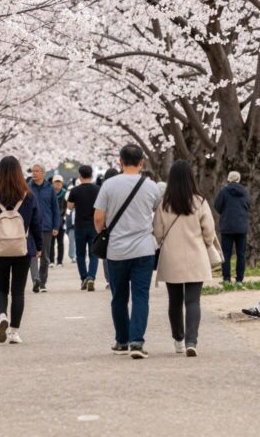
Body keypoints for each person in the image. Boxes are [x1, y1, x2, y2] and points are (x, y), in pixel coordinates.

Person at [94, 145, 161, 359]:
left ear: (120, 162)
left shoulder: (109, 185)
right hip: (143, 249)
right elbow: (158, 214)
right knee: (141, 296)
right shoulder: (151, 186)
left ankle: (122, 341)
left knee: (119, 297)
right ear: (142, 162)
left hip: (116, 250)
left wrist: (104, 232)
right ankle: (137, 342)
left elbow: (98, 218)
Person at [0, 156, 42, 345]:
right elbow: (37, 223)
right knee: (18, 292)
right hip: (22, 249)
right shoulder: (28, 196)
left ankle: (2, 316)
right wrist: (38, 247)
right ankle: (14, 332)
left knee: (0, 288)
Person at [154, 160, 216, 357]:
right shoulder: (200, 201)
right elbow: (209, 231)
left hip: (171, 257)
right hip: (196, 255)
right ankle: (192, 341)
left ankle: (178, 340)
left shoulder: (164, 203)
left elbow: (157, 232)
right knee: (193, 301)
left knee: (174, 301)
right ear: (191, 178)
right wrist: (205, 242)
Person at [67, 164, 100, 290]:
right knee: (93, 254)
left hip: (80, 225)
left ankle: (84, 278)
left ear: (80, 176)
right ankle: (91, 277)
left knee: (80, 254)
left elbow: (69, 207)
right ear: (91, 175)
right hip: (94, 225)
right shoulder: (98, 189)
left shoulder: (75, 190)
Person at [29, 162, 60, 292]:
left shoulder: (50, 188)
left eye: (37, 171)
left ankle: (42, 282)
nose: (34, 173)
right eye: (33, 171)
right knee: (32, 255)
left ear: (43, 173)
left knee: (45, 257)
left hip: (46, 227)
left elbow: (55, 209)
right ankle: (35, 280)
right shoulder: (27, 187)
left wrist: (56, 226)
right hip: (31, 227)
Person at [214, 171, 250, 283]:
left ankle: (226, 279)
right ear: (239, 179)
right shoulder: (245, 191)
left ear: (228, 179)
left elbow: (217, 206)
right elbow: (248, 205)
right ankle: (239, 279)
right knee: (241, 254)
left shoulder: (223, 191)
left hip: (227, 226)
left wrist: (225, 213)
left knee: (226, 254)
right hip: (241, 227)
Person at [50, 175, 68, 266]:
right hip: (51, 221)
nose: (57, 184)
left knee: (60, 242)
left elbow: (67, 207)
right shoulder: (49, 192)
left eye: (59, 182)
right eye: (56, 182)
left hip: (61, 221)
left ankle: (60, 261)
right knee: (51, 242)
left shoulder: (65, 193)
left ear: (62, 183)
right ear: (52, 183)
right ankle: (51, 261)